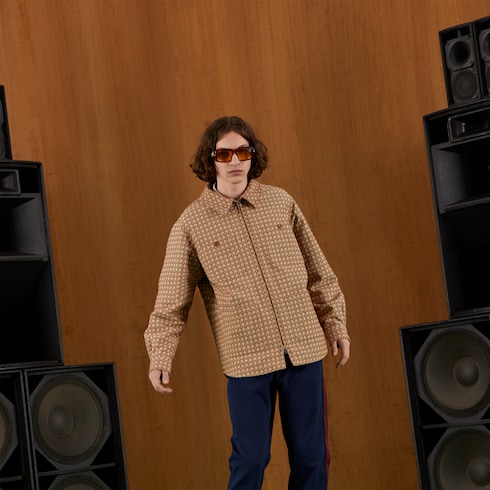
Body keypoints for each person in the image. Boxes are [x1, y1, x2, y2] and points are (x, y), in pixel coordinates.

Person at [144, 116, 350, 490]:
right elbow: (171, 301)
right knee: (250, 460)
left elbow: (318, 272)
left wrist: (335, 324)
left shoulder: (280, 203)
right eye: (225, 154)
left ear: (253, 155)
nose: (235, 161)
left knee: (312, 457)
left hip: (304, 349)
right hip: (246, 359)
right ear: (210, 160)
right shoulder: (191, 224)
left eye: (243, 151)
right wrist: (160, 356)